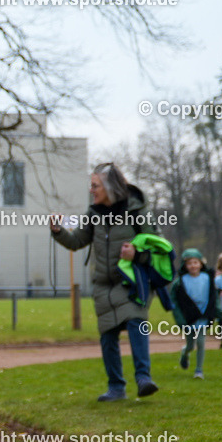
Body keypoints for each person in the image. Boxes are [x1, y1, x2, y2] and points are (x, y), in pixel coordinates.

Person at [49, 162, 160, 401]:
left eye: (95, 185)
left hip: (132, 282)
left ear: (109, 187)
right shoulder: (94, 214)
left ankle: (143, 378)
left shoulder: (137, 212)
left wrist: (137, 255)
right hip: (103, 285)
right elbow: (78, 241)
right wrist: (58, 231)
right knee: (107, 335)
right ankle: (116, 387)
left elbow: (157, 248)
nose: (91, 190)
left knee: (135, 322)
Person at [170, 249, 219, 379]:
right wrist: (181, 320)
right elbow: (175, 302)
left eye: (195, 262)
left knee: (201, 342)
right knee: (191, 345)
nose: (193, 265)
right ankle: (185, 353)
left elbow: (213, 298)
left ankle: (199, 370)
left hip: (203, 317)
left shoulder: (207, 278)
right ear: (185, 266)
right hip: (189, 319)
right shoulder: (180, 282)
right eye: (189, 263)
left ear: (201, 263)